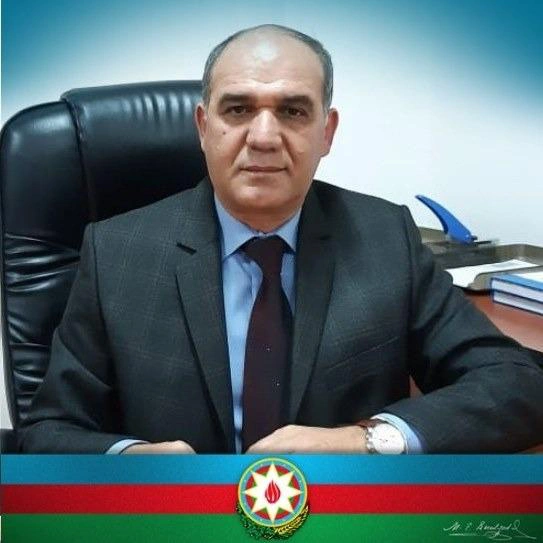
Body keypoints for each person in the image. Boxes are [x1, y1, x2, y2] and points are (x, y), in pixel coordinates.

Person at [20, 24, 543, 454]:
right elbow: (48, 432)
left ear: (326, 133)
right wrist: (131, 458)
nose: (265, 137)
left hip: (341, 521)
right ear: (203, 127)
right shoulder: (115, 252)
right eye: (238, 109)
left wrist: (368, 440)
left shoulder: (387, 237)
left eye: (292, 111)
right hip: (178, 521)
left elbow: (518, 383)